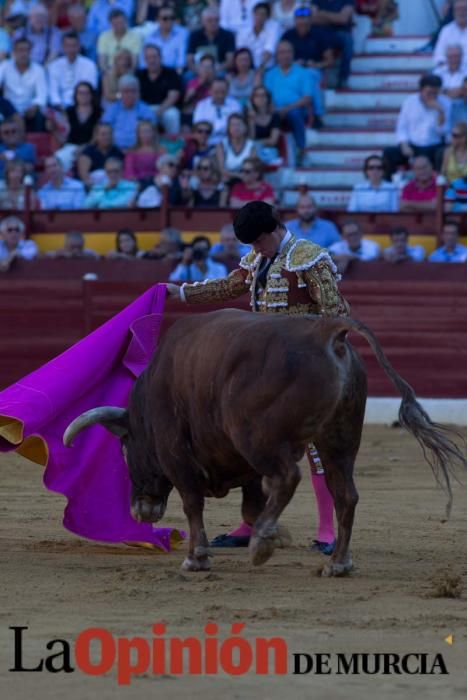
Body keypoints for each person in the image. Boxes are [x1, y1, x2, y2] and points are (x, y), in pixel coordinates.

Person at [166, 201, 350, 554]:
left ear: (272, 232)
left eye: (258, 243)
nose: (254, 251)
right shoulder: (257, 258)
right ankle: (251, 522)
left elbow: (337, 314)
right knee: (252, 443)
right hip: (263, 372)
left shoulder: (311, 257)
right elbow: (229, 287)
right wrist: (183, 292)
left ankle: (327, 530)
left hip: (304, 370)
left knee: (317, 447)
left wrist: (323, 366)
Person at [383, 74, 451, 178]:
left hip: (433, 145)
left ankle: (438, 185)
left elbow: (443, 132)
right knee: (389, 153)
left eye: (435, 93)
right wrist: (404, 144)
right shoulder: (410, 102)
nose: (432, 96)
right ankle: (388, 185)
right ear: (421, 90)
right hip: (413, 145)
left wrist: (440, 112)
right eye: (429, 93)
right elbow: (402, 127)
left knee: (442, 153)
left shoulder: (446, 103)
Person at [263, 41, 320, 161]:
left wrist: (287, 108)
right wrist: (275, 109)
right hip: (275, 110)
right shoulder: (269, 75)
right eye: (282, 52)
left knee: (294, 114)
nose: (286, 55)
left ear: (293, 54)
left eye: (289, 52)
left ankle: (302, 149)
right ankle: (267, 153)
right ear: (277, 56)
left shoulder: (303, 73)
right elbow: (266, 97)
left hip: (297, 109)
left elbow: (307, 98)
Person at [0, 37, 48, 131]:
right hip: (8, 110)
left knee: (40, 115)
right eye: (20, 50)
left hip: (29, 110)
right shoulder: (5, 66)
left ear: (31, 52)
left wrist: (34, 106)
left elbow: (42, 96)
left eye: (27, 50)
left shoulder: (39, 70)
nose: (23, 54)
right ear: (14, 52)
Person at [135, 44, 182, 135]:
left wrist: (159, 111)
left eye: (154, 57)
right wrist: (147, 112)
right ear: (145, 60)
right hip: (145, 108)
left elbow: (173, 96)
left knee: (172, 115)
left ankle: (172, 142)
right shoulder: (139, 75)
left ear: (161, 58)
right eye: (148, 58)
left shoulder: (171, 73)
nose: (152, 60)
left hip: (165, 108)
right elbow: (136, 97)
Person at [102, 75, 156, 151]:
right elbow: (104, 132)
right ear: (120, 93)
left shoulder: (146, 111)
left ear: (138, 92)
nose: (130, 95)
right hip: (115, 150)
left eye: (133, 91)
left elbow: (151, 135)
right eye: (126, 91)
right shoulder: (112, 110)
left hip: (138, 151)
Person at [47, 31, 99, 110]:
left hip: (83, 106)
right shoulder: (54, 66)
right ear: (62, 47)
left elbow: (91, 89)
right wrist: (59, 105)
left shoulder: (90, 65)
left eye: (74, 45)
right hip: (59, 107)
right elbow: (53, 91)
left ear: (79, 46)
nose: (71, 49)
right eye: (68, 46)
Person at [310, 0, 355, 88]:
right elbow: (312, 18)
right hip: (321, 32)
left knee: (348, 41)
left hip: (339, 33)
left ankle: (343, 77)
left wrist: (322, 13)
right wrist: (335, 18)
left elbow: (343, 19)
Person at [187, 6, 235, 75]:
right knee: (187, 77)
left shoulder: (228, 36)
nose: (213, 23)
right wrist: (199, 71)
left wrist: (214, 70)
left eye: (216, 20)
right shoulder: (194, 36)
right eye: (209, 20)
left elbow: (230, 61)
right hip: (198, 70)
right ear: (202, 21)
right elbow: (189, 60)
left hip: (219, 70)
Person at [193, 78, 241, 144]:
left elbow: (238, 127)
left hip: (230, 141)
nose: (220, 95)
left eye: (223, 92)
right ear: (210, 91)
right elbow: (198, 126)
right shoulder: (202, 105)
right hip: (207, 142)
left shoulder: (235, 105)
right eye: (216, 92)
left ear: (228, 91)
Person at [236, 2, 281, 71]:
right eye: (257, 14)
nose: (259, 17)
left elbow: (269, 50)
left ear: (267, 17)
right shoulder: (242, 30)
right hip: (247, 68)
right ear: (253, 14)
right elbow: (241, 52)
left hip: (267, 68)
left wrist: (260, 69)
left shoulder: (274, 28)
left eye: (263, 14)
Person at [77, 123, 124, 187]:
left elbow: (121, 173)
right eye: (103, 134)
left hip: (114, 186)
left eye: (109, 134)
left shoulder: (117, 152)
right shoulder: (88, 152)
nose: (107, 137)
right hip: (94, 187)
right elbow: (84, 176)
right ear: (96, 136)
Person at [142, 7, 188, 71]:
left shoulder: (183, 33)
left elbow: (181, 61)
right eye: (165, 18)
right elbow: (143, 62)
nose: (169, 21)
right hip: (154, 73)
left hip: (175, 73)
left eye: (172, 18)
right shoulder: (150, 37)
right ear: (157, 19)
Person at [215, 112, 256, 184]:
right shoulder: (221, 145)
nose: (236, 128)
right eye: (232, 125)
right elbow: (221, 170)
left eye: (239, 125)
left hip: (246, 181)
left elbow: (251, 168)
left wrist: (234, 175)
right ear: (228, 128)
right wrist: (239, 175)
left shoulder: (252, 146)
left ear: (245, 128)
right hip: (228, 181)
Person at [97, 8, 142, 73]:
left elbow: (135, 61)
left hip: (128, 71)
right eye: (115, 24)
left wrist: (129, 73)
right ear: (110, 24)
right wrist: (108, 73)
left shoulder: (135, 37)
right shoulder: (103, 37)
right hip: (110, 71)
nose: (119, 26)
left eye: (121, 23)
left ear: (126, 21)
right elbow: (102, 61)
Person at [247, 85, 282, 165]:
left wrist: (257, 142)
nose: (260, 98)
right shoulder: (248, 116)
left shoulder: (275, 116)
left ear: (268, 98)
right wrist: (251, 121)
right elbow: (251, 138)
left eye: (263, 95)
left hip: (269, 150)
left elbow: (273, 141)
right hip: (253, 151)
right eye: (257, 96)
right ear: (253, 99)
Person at [434, 0, 467, 71]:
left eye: (465, 9)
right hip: (448, 70)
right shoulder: (446, 30)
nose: (462, 12)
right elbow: (439, 55)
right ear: (453, 11)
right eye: (459, 9)